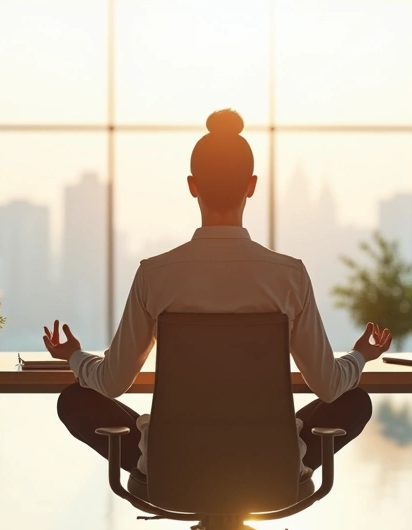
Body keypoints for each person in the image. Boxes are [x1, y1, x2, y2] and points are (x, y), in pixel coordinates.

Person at [44, 109, 391, 480]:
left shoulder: (154, 274)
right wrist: (360, 354)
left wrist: (75, 356)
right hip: (271, 469)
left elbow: (112, 383)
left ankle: (165, 463)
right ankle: (280, 462)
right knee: (354, 400)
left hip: (173, 470)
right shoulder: (289, 275)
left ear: (193, 185)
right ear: (251, 185)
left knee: (75, 399)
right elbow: (331, 386)